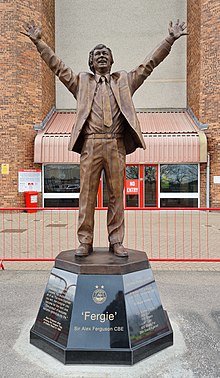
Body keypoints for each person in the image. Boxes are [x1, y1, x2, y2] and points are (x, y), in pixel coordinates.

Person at [22, 20, 187, 257]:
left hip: (116, 144)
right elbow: (57, 67)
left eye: (105, 54)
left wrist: (169, 39)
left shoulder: (124, 81)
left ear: (111, 61)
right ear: (90, 62)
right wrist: (39, 42)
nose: (101, 57)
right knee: (86, 196)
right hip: (90, 143)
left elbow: (149, 64)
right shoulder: (81, 82)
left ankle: (116, 241)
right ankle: (85, 241)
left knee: (116, 196)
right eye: (97, 54)